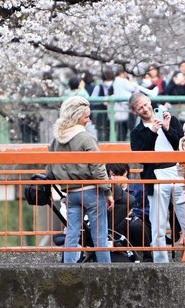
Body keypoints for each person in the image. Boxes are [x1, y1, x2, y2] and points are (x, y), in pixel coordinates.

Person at [46, 96, 112, 263]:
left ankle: (68, 269)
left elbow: (50, 170)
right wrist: (108, 191)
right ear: (77, 117)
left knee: (72, 235)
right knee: (100, 236)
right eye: (86, 116)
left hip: (70, 193)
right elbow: (98, 168)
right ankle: (106, 270)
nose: (89, 120)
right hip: (91, 191)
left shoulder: (56, 142)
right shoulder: (86, 139)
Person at [129, 92, 185, 263]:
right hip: (155, 175)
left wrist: (167, 128)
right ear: (134, 111)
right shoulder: (137, 132)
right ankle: (161, 261)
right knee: (158, 223)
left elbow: (182, 144)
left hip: (177, 171)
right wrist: (153, 131)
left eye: (146, 104)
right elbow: (141, 157)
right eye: (140, 107)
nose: (145, 109)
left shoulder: (170, 120)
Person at [106, 163, 152, 261]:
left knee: (135, 224)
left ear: (125, 173)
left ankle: (147, 256)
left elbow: (148, 209)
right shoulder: (109, 191)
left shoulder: (140, 187)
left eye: (114, 175)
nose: (111, 179)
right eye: (109, 176)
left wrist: (133, 212)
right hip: (118, 222)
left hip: (140, 222)